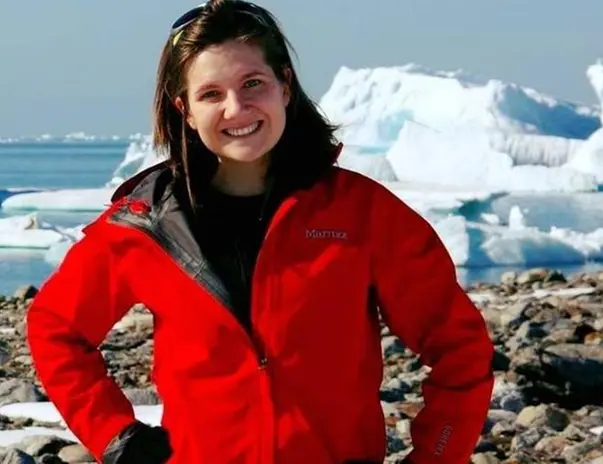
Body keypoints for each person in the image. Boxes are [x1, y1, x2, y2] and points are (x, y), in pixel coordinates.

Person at [25, 1, 495, 463]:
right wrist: (116, 436)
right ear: (184, 109)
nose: (237, 107)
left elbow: (461, 347)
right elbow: (55, 327)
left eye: (253, 83)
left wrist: (437, 453)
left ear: (284, 86)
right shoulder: (146, 224)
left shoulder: (362, 214)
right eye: (211, 94)